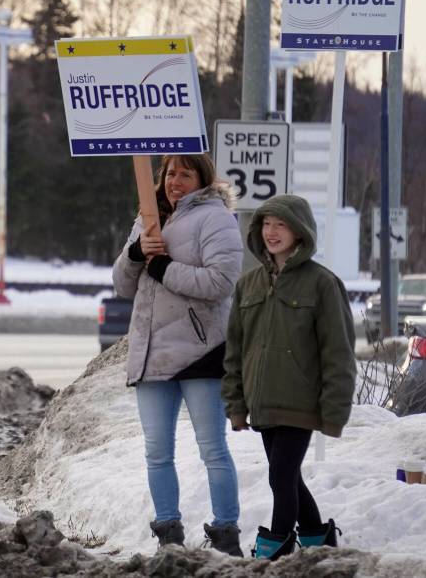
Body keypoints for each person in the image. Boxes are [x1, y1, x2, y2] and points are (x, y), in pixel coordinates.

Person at [112, 153, 244, 556]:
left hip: (200, 352)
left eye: (186, 173)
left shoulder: (215, 217)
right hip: (152, 354)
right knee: (156, 450)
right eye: (171, 173)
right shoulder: (149, 217)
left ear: (202, 179)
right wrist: (136, 254)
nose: (176, 181)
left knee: (212, 449)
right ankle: (168, 533)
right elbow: (122, 285)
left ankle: (225, 534)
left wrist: (164, 269)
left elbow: (221, 282)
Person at [222, 194, 356, 560]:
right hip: (262, 402)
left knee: (280, 477)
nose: (272, 232)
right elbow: (234, 350)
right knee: (289, 478)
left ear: (300, 232)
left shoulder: (322, 284)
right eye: (266, 224)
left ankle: (274, 549)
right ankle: (316, 539)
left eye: (281, 224)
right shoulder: (247, 285)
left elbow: (338, 354)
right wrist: (235, 404)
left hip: (300, 401)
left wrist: (333, 410)